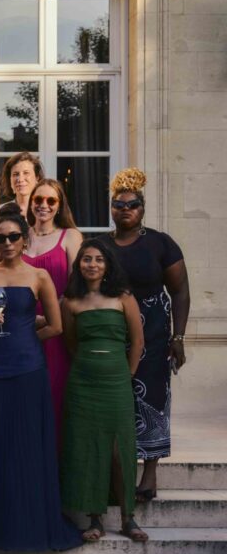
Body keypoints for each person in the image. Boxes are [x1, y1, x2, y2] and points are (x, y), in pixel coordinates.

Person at [0, 215, 81, 552]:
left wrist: (26, 340)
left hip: (29, 368)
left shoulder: (39, 276)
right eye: (1, 238)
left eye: (14, 236)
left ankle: (31, 522)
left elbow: (56, 326)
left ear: (24, 239)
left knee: (28, 443)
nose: (8, 243)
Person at [105, 168, 190, 503]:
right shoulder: (100, 245)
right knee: (117, 405)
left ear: (142, 208)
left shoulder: (160, 243)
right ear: (111, 208)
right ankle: (115, 475)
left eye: (132, 204)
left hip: (153, 337)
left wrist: (178, 337)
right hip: (114, 336)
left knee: (153, 401)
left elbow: (180, 292)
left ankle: (149, 475)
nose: (125, 209)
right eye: (119, 204)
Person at [61, 239, 147, 542]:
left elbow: (138, 341)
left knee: (120, 449)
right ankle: (94, 518)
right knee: (88, 447)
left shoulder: (123, 297)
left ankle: (128, 518)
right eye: (86, 259)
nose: (92, 264)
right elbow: (71, 342)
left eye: (99, 259)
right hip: (83, 383)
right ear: (79, 265)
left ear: (108, 265)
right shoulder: (70, 301)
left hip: (117, 383)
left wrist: (127, 373)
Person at [24, 178, 83, 438]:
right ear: (31, 203)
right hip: (22, 326)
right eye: (38, 199)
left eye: (51, 200)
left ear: (59, 205)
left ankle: (54, 457)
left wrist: (48, 316)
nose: (44, 205)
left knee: (54, 391)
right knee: (26, 396)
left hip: (56, 327)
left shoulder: (70, 236)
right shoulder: (20, 235)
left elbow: (76, 285)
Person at [0, 151, 44, 217]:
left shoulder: (46, 210)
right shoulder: (1, 211)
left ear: (37, 178)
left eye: (26, 173)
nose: (20, 179)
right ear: (10, 180)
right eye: (15, 174)